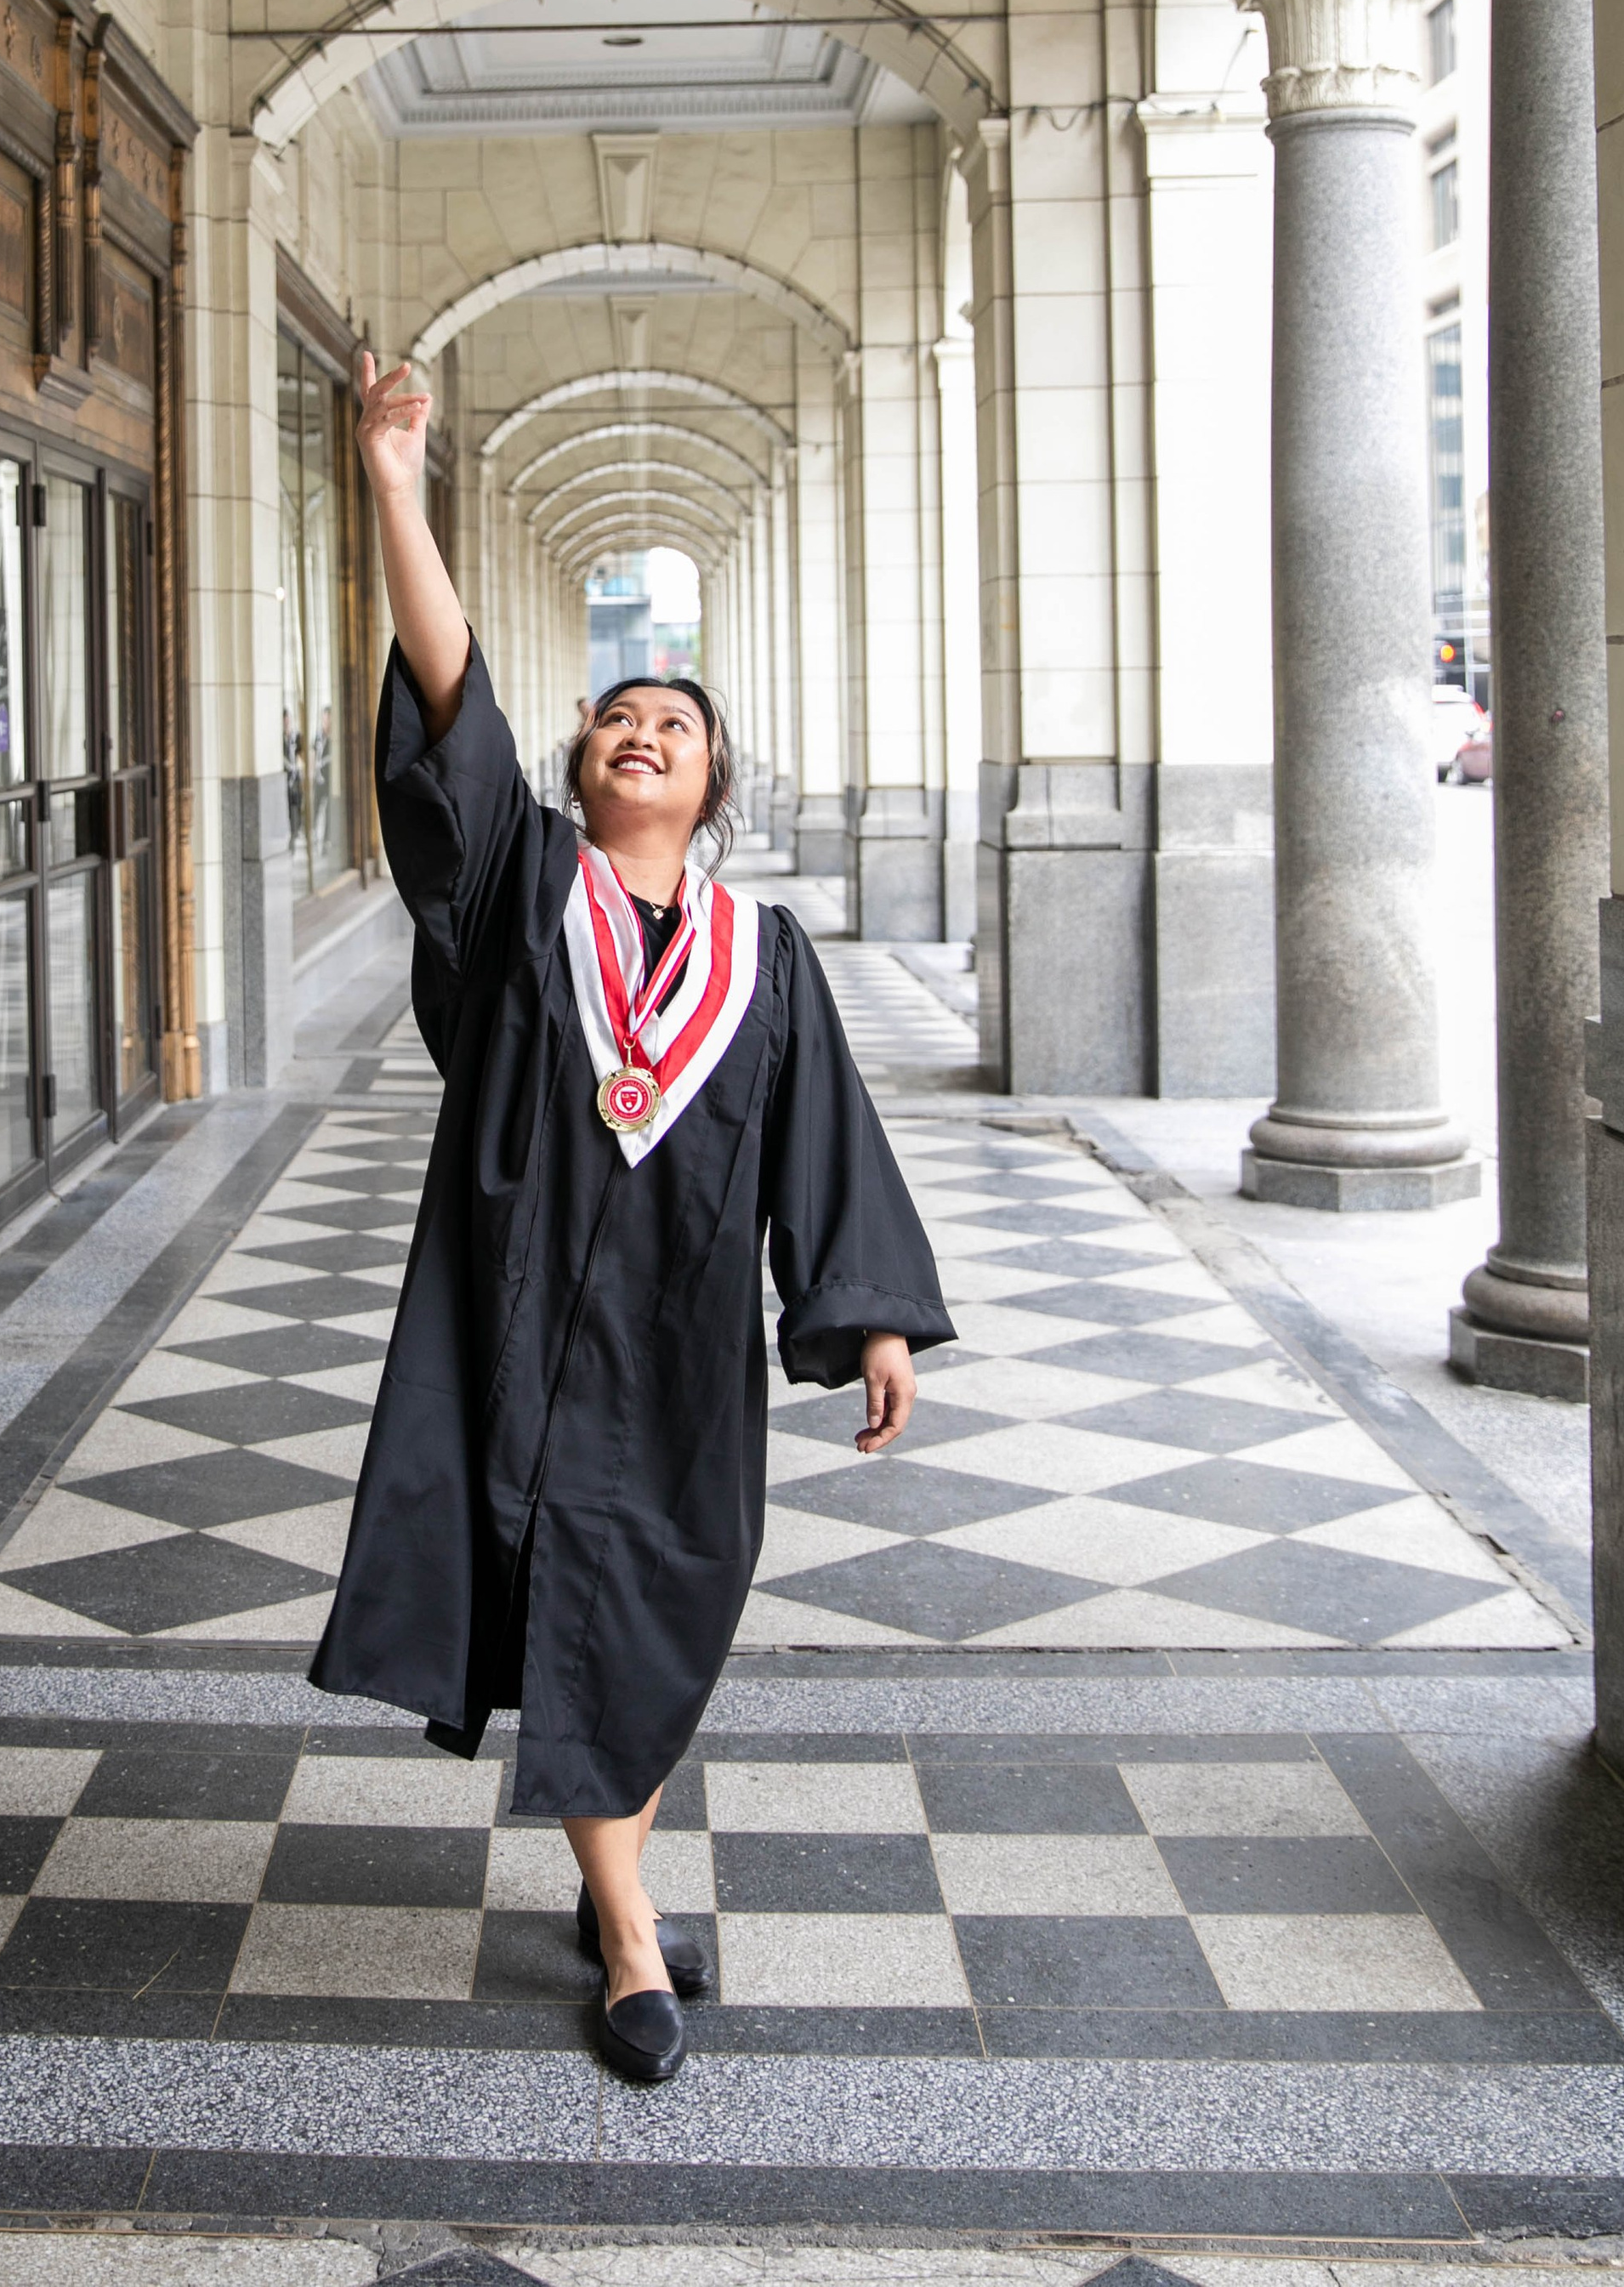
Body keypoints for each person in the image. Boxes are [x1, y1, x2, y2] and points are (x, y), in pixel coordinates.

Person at [309, 352, 954, 2086]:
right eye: (615, 718)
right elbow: (449, 707)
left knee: (666, 1604)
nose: (640, 727)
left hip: (678, 1361)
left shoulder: (766, 965)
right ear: (584, 769)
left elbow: (820, 1145)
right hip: (518, 1333)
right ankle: (621, 1930)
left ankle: (611, 1874)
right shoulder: (527, 890)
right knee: (577, 1609)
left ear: (709, 786)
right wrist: (394, 482)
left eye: (674, 723)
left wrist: (870, 1312)